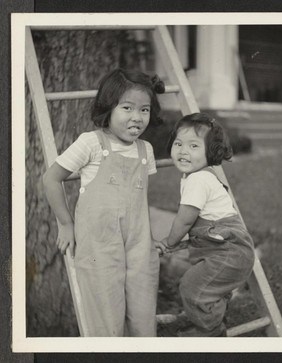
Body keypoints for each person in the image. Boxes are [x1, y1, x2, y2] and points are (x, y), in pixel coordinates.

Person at [43, 68, 165, 337]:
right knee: (106, 319)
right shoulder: (91, 143)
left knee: (143, 316)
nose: (137, 117)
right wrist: (65, 223)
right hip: (99, 244)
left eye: (144, 110)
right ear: (108, 107)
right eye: (127, 108)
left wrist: (149, 236)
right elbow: (51, 178)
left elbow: (140, 199)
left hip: (138, 246)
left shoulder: (146, 150)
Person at [157, 112, 255, 337]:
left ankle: (210, 331)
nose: (183, 150)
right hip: (226, 250)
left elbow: (186, 219)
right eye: (178, 143)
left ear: (210, 152)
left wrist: (169, 242)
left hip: (229, 252)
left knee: (193, 286)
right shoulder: (197, 176)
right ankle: (205, 318)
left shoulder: (198, 179)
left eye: (193, 146)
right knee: (203, 288)